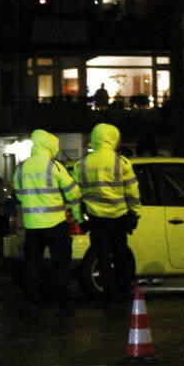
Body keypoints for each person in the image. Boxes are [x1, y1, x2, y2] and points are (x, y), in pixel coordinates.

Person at [13, 129, 84, 317]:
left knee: (32, 266)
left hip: (32, 227)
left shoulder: (21, 167)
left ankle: (32, 303)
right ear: (50, 145)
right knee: (60, 265)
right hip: (55, 224)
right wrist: (78, 217)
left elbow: (19, 195)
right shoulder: (54, 166)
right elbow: (73, 193)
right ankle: (61, 304)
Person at [72, 123, 141, 306]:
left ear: (95, 138)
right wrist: (135, 214)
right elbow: (133, 192)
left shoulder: (82, 164)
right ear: (114, 138)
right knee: (120, 255)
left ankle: (109, 295)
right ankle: (122, 292)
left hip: (95, 219)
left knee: (102, 257)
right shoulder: (122, 162)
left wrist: (80, 219)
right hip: (118, 217)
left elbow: (75, 196)